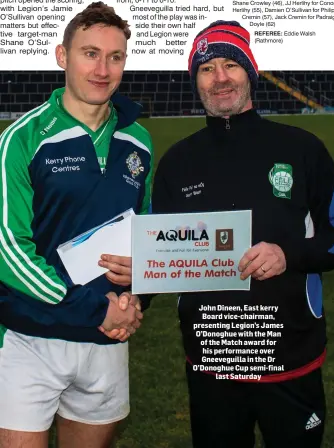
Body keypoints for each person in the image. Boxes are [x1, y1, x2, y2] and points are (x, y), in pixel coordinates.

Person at [151, 20, 334, 448]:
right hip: (213, 359)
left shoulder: (304, 148)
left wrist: (289, 255)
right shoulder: (177, 163)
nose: (220, 77)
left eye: (230, 64)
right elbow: (156, 256)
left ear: (250, 72)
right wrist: (129, 296)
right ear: (195, 81)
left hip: (288, 354)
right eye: (207, 68)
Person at [0, 3, 153, 447]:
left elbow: (147, 233)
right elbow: (8, 247)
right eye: (90, 53)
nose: (103, 69)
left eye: (115, 57)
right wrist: (93, 309)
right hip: (30, 338)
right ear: (62, 56)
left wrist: (137, 294)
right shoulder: (22, 139)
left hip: (108, 339)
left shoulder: (138, 142)